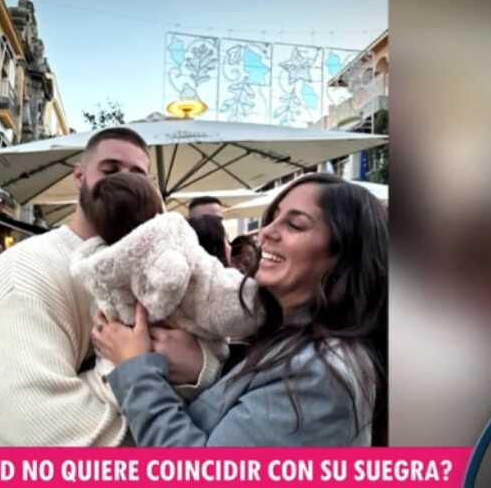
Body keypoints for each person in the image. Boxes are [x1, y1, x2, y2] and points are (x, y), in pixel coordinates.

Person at [93, 173, 388, 446]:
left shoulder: (319, 376)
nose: (268, 230)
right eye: (274, 217)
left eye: (295, 224)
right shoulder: (284, 338)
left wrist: (135, 368)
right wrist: (203, 365)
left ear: (343, 256)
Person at [0, 127, 221, 446]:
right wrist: (165, 431)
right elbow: (38, 428)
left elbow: (212, 349)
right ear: (80, 177)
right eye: (110, 170)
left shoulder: (159, 269)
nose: (124, 182)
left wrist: (199, 366)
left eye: (138, 174)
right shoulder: (23, 268)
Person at [71, 172, 262, 408]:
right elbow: (234, 305)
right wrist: (267, 299)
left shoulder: (100, 269)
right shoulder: (182, 254)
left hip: (114, 384)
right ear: (157, 212)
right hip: (179, 392)